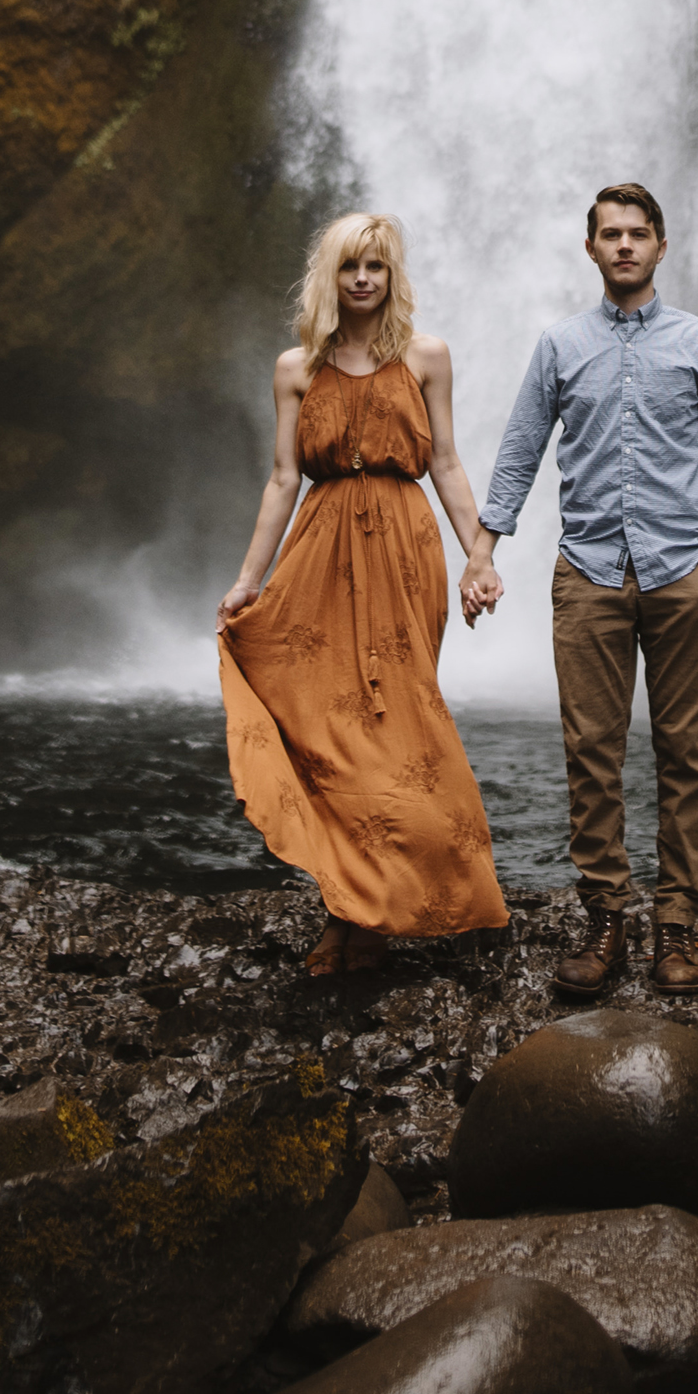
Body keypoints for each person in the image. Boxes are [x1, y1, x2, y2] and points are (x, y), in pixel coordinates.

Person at [472, 179, 698, 998]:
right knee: (591, 754)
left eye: (638, 233)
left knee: (684, 754)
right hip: (589, 570)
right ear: (590, 248)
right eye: (609, 233)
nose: (624, 244)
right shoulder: (560, 345)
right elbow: (520, 451)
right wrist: (483, 551)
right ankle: (605, 921)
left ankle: (677, 926)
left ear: (661, 246)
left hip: (681, 573)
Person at [217, 209, 509, 976]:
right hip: (318, 552)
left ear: (392, 275)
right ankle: (348, 913)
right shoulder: (295, 368)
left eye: (376, 266)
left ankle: (399, 904)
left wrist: (479, 555)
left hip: (404, 552)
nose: (363, 279)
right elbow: (284, 477)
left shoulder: (427, 356)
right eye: (350, 266)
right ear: (330, 276)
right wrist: (250, 580)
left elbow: (445, 462)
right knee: (326, 734)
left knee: (395, 722)